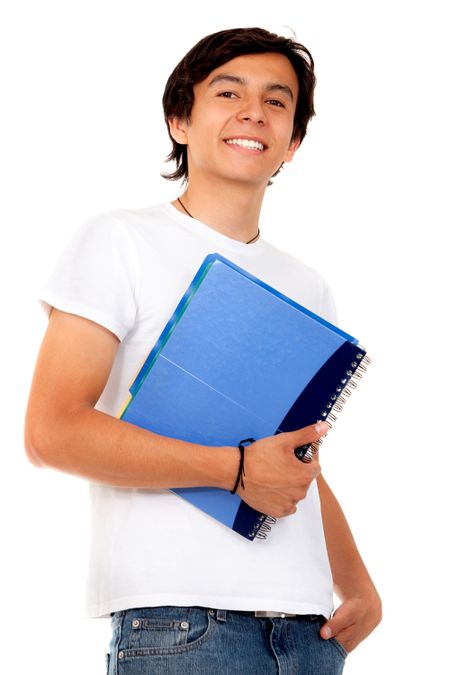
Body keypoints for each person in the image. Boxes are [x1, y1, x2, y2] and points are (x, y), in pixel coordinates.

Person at [24, 26, 381, 675]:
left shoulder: (309, 284)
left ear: (292, 143)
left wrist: (356, 583)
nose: (254, 111)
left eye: (278, 101)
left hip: (307, 631)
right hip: (182, 622)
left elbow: (294, 464)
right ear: (180, 119)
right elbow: (51, 431)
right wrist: (235, 470)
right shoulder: (119, 240)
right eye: (229, 92)